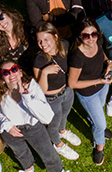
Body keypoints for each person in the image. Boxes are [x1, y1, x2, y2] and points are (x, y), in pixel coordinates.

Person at [0, 58, 76, 172]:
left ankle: (59, 171)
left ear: (21, 72)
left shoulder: (32, 86)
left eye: (14, 69)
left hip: (33, 127)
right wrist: (7, 125)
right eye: (6, 72)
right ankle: (28, 169)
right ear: (2, 78)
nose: (11, 74)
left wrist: (27, 98)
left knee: (47, 151)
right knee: (20, 152)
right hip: (11, 130)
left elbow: (47, 117)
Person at [67, 18, 112, 165]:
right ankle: (99, 147)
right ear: (79, 36)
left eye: (94, 34)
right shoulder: (77, 56)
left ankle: (95, 123)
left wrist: (109, 64)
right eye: (85, 35)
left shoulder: (98, 42)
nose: (90, 38)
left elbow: (103, 55)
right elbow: (72, 83)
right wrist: (99, 81)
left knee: (99, 112)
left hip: (103, 86)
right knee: (101, 124)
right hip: (88, 93)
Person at [32, 24, 83, 160]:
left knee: (65, 114)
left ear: (55, 37)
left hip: (67, 91)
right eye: (39, 41)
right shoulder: (40, 60)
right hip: (51, 98)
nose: (43, 44)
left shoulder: (64, 46)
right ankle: (58, 144)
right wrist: (44, 73)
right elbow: (40, 90)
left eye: (46, 39)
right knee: (53, 124)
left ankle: (63, 131)